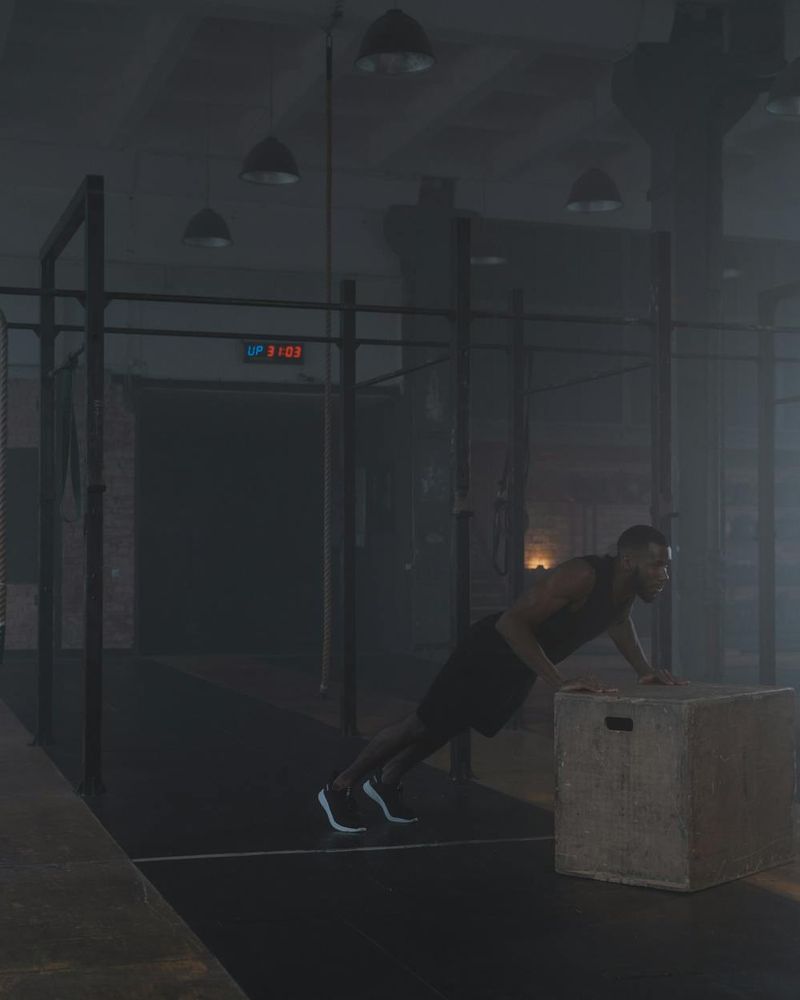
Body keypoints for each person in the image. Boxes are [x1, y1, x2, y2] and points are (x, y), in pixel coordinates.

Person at [317, 524, 686, 834]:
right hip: (489, 652)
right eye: (657, 565)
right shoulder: (583, 575)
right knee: (421, 723)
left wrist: (644, 671)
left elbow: (618, 622)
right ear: (628, 561)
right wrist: (558, 681)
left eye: (666, 566)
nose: (664, 575)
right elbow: (510, 622)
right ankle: (339, 786)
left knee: (448, 725)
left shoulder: (623, 591)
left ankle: (386, 781)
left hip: (520, 664)